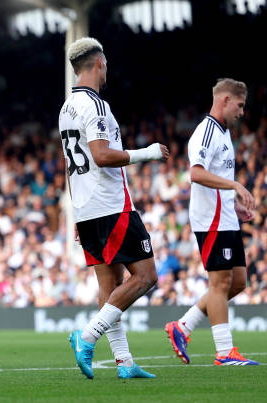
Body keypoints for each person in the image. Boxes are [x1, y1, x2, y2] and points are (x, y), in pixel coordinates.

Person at [60, 37, 169, 380]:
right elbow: (102, 155)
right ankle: (87, 336)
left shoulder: (66, 108)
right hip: (111, 205)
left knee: (110, 288)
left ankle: (123, 362)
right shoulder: (96, 106)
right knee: (146, 276)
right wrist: (148, 153)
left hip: (86, 208)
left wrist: (76, 213)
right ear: (99, 63)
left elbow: (69, 165)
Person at [165, 78, 259, 366]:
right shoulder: (205, 132)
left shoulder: (224, 133)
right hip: (211, 220)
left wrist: (234, 203)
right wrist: (235, 187)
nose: (242, 112)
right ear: (225, 101)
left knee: (238, 282)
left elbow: (219, 178)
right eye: (240, 105)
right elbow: (195, 173)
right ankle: (224, 352)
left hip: (227, 217)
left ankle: (183, 325)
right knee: (219, 284)